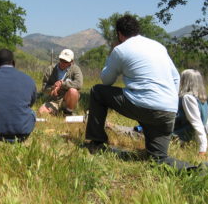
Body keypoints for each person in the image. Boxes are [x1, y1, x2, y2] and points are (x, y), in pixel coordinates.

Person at [84, 14, 199, 171]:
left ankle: (96, 143)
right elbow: (175, 78)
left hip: (143, 106)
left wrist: (111, 53)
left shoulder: (120, 49)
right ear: (137, 30)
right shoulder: (158, 46)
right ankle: (194, 169)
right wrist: (169, 101)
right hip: (168, 111)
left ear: (119, 33)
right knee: (158, 158)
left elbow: (106, 80)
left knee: (97, 91)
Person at [173, 69, 208, 154]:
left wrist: (202, 150)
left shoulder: (188, 98)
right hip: (192, 139)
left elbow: (197, 125)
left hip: (181, 138)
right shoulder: (202, 99)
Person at [38, 49, 83, 116]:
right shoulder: (50, 69)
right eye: (61, 60)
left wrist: (62, 84)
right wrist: (52, 88)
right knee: (41, 112)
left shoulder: (75, 69)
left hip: (68, 99)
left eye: (66, 61)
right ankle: (58, 111)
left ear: (72, 61)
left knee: (73, 91)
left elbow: (79, 84)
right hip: (54, 100)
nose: (62, 63)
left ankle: (68, 112)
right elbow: (44, 88)